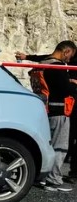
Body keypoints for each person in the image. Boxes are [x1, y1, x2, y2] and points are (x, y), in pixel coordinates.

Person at [23, 41, 77, 191]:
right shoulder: (57, 67)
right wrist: (73, 83)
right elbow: (65, 90)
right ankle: (53, 180)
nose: (69, 60)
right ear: (66, 52)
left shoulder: (42, 64)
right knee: (60, 147)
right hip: (59, 111)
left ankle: (42, 178)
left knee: (48, 145)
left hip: (45, 109)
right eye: (70, 56)